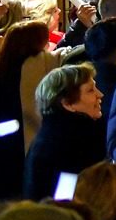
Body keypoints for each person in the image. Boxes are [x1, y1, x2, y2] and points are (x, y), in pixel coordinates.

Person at [23, 63, 106, 200]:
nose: (100, 94)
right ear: (67, 103)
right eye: (90, 90)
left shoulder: (56, 136)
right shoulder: (72, 145)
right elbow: (65, 200)